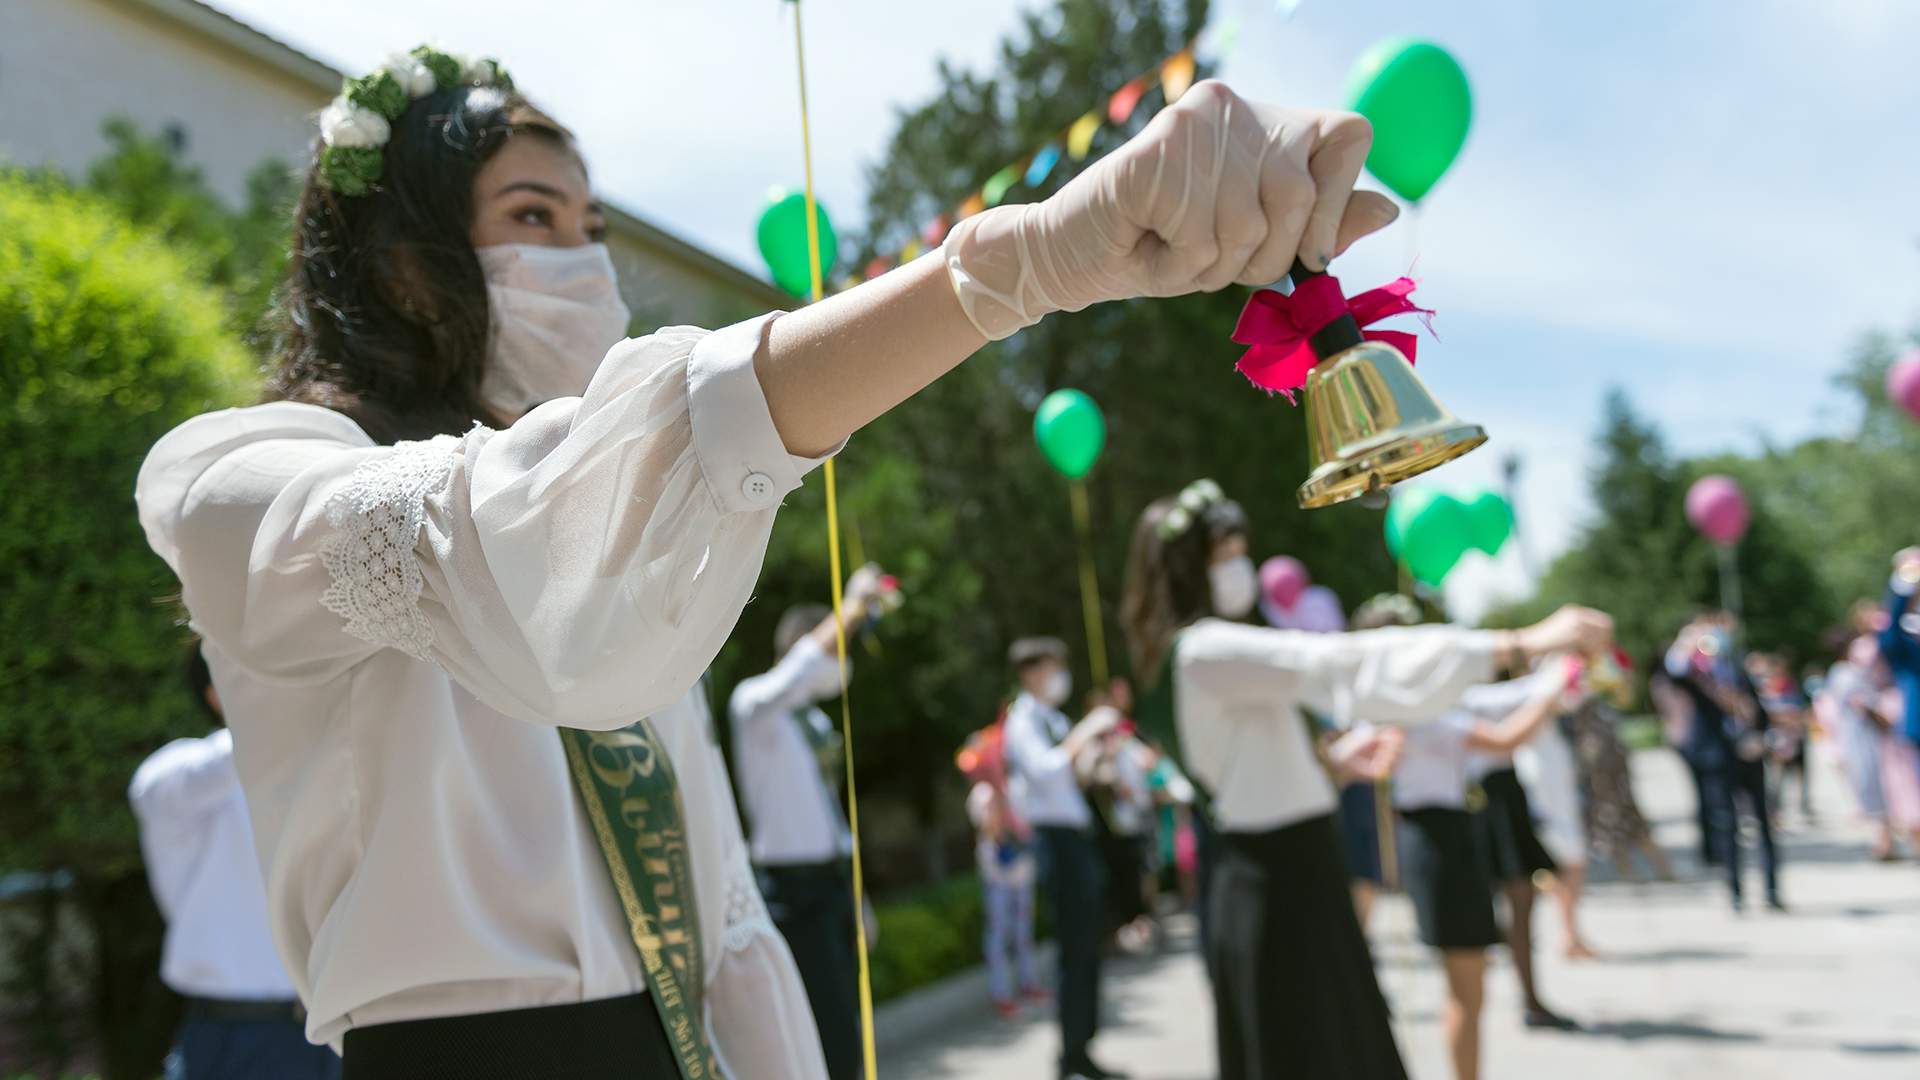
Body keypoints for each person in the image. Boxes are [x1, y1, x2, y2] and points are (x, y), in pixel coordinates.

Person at [134, 41, 1397, 1071]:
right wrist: (1009, 271)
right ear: (408, 262)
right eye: (530, 215)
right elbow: (506, 538)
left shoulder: (626, 554)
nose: (578, 257)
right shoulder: (238, 479)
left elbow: (723, 922)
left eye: (588, 222)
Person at [1117, 478, 1613, 1080]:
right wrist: (1518, 643)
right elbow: (1343, 663)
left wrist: (1336, 762)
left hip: (1300, 866)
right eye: (1225, 556)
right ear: (1188, 567)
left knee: (1341, 1049)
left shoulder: (1216, 652)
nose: (1239, 567)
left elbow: (1253, 755)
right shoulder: (1203, 649)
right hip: (1272, 882)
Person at [130, 646, 343, 1080]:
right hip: (240, 1035)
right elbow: (196, 777)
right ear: (215, 693)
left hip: (337, 1028)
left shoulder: (323, 768)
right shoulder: (175, 772)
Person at [726, 569, 888, 1080]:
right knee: (825, 1027)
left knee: (850, 1017)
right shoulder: (755, 705)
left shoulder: (813, 721)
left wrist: (856, 892)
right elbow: (798, 673)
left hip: (830, 879)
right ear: (801, 645)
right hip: (790, 889)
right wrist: (852, 607)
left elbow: (827, 807)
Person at [1392, 660, 1583, 1080]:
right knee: (1464, 987)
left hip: (1451, 831)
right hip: (1445, 838)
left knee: (1467, 986)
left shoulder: (1422, 712)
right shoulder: (1427, 716)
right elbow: (1504, 738)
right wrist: (1551, 691)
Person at [1002, 637, 1128, 1080]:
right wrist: (1085, 732)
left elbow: (1072, 775)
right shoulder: (1023, 721)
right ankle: (1071, 1053)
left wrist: (1099, 754)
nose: (1058, 676)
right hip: (1054, 840)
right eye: (1051, 667)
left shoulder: (1052, 719)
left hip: (1077, 837)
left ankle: (1083, 1044)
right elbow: (1045, 770)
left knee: (1088, 944)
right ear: (1030, 672)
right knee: (1074, 947)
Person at [1659, 614, 1783, 912]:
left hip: (1749, 756)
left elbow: (1758, 711)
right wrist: (1687, 640)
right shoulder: (1697, 678)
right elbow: (1673, 669)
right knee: (1727, 823)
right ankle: (1736, 891)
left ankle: (1771, 890)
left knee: (1764, 824)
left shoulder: (1736, 670)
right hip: (1718, 756)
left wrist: (1759, 737)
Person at [1563, 696, 1672, 881]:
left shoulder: (1595, 728)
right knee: (1617, 834)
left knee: (1633, 830)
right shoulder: (1590, 727)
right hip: (1606, 790)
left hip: (1614, 788)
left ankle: (1657, 872)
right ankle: (1632, 874)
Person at [967, 776, 1043, 1019]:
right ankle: (1001, 993)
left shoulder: (1015, 785)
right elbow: (987, 827)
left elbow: (1027, 824)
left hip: (1021, 873)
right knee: (998, 935)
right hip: (997, 875)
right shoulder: (982, 792)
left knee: (1024, 932)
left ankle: (1028, 983)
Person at [1816, 624, 1892, 859]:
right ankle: (1884, 841)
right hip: (1862, 735)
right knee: (1876, 784)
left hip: (1855, 735)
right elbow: (1862, 703)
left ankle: (1885, 840)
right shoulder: (1847, 673)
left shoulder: (1838, 673)